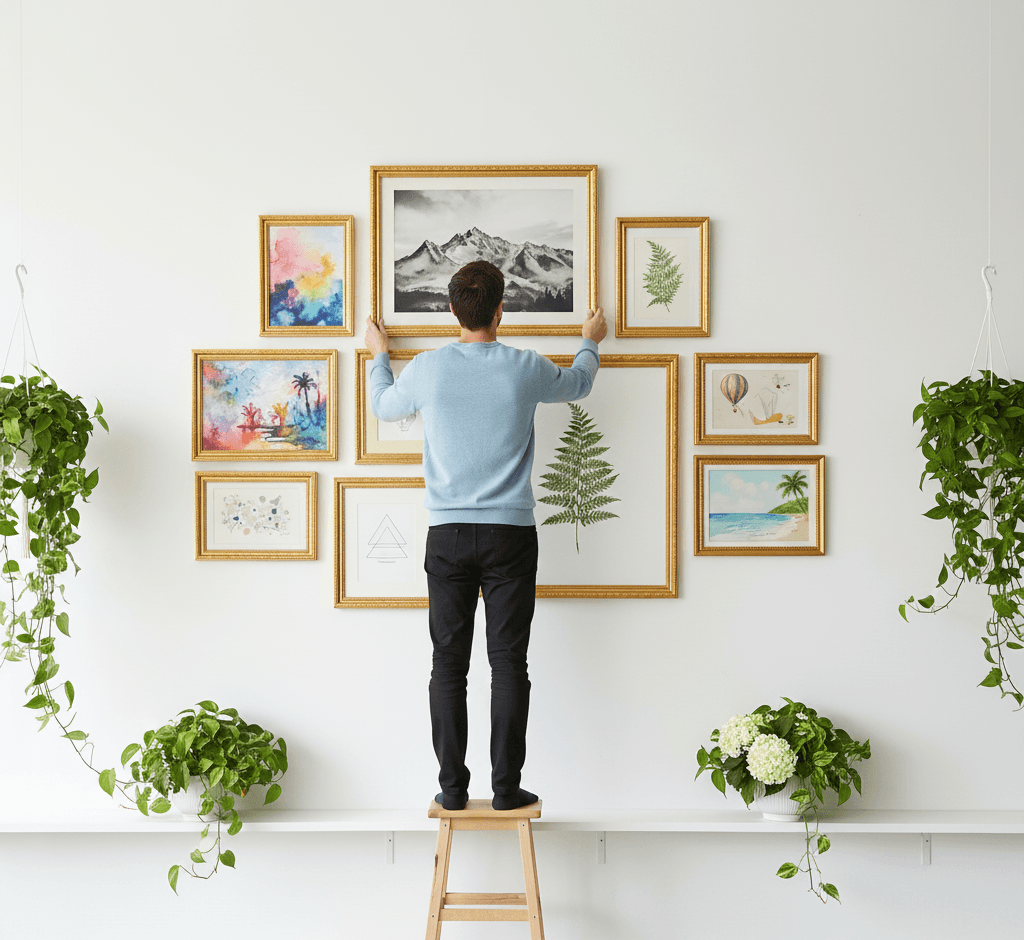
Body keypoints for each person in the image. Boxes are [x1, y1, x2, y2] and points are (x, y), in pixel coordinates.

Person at [364, 259, 607, 811]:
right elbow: (580, 384)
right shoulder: (525, 367)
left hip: (447, 535)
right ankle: (505, 789)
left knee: (448, 665)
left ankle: (452, 791)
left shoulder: (426, 369)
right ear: (502, 310)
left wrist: (379, 353)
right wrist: (590, 340)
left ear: (452, 310)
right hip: (510, 535)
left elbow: (383, 405)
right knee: (509, 664)